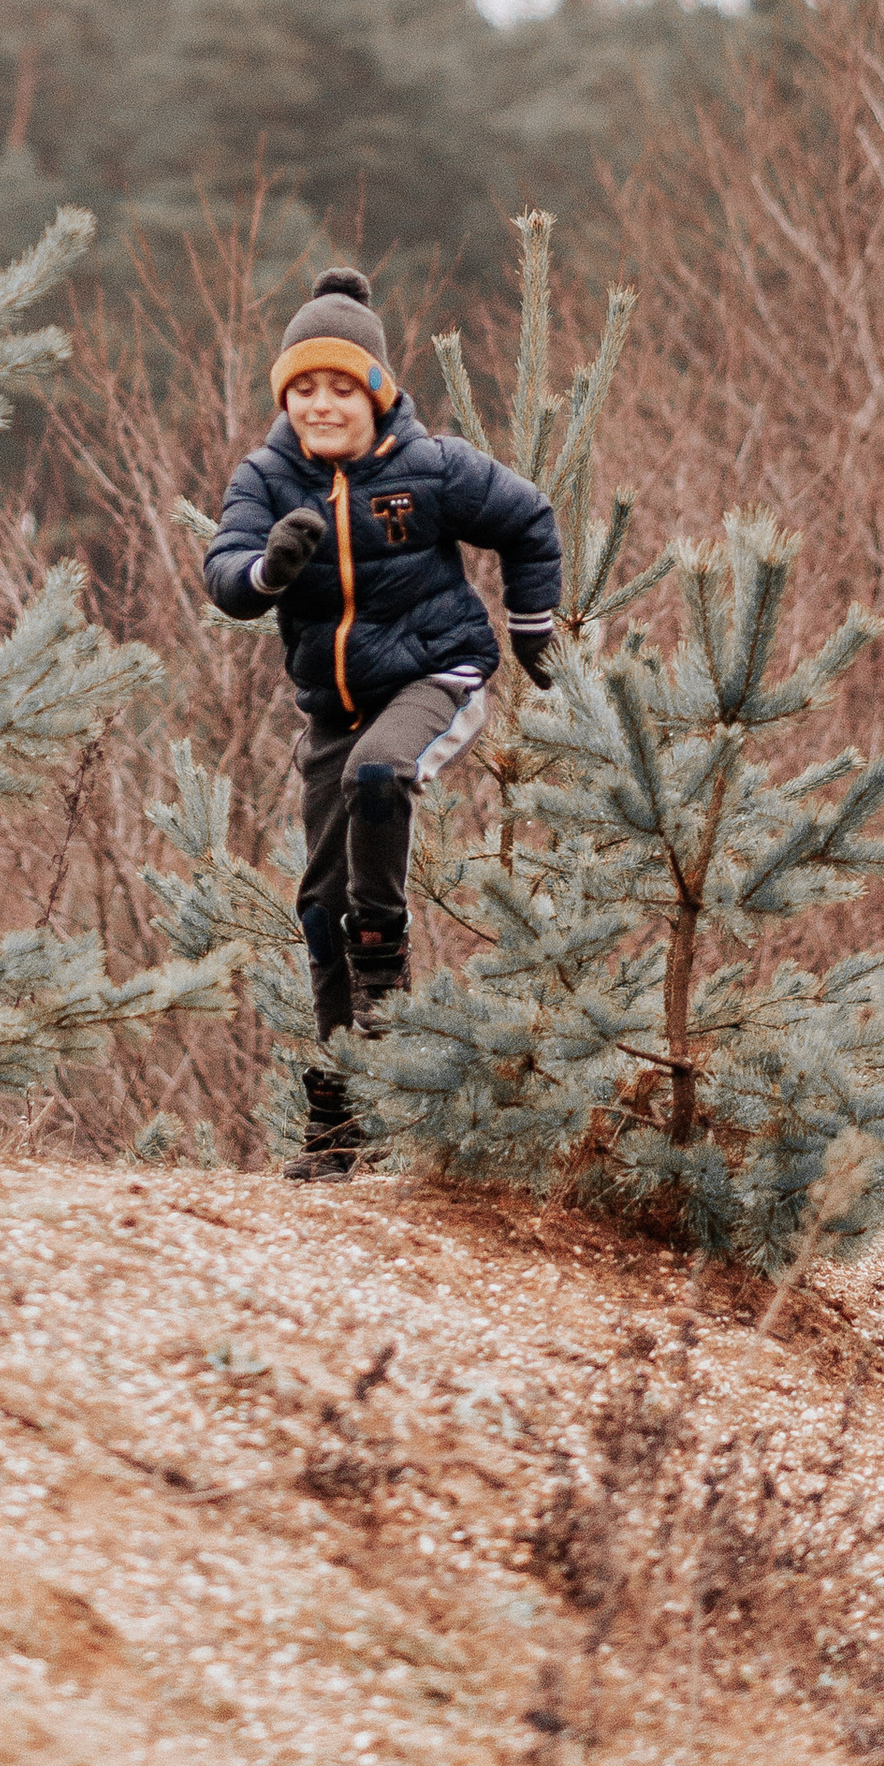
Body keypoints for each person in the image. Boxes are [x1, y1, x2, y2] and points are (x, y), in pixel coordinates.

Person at [204, 263, 564, 1178]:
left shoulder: (430, 467)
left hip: (440, 675)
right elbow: (227, 579)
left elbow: (528, 518)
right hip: (334, 708)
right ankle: (340, 1121)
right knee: (319, 912)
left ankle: (387, 957)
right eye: (302, 389)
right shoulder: (268, 476)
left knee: (382, 775)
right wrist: (271, 570)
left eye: (340, 386)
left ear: (376, 390)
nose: (321, 405)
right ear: (287, 398)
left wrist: (530, 630)